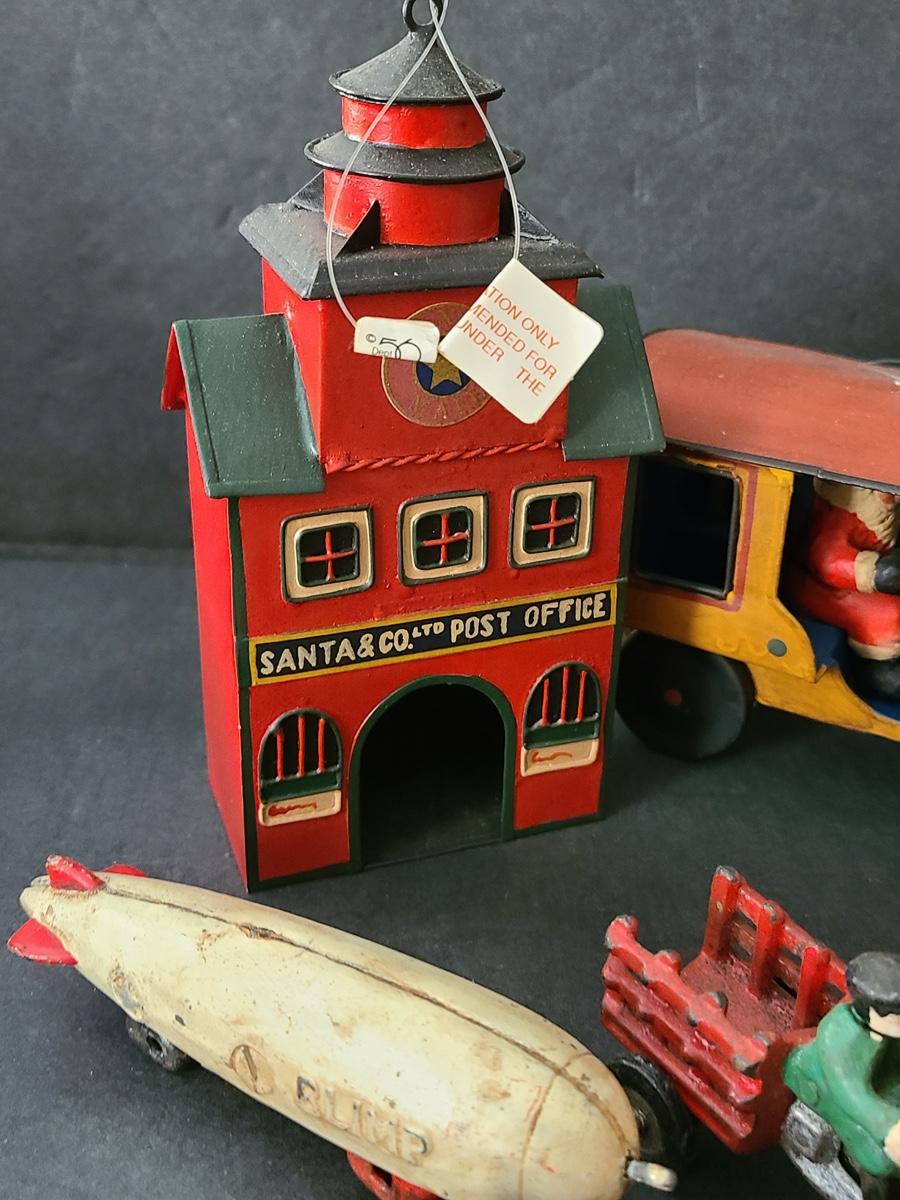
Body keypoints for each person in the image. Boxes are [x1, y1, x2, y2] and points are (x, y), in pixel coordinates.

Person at [784, 952, 900, 1197]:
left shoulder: (889, 1033)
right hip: (826, 1091)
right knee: (880, 1159)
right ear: (875, 1012)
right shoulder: (839, 1035)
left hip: (884, 1083)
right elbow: (852, 1095)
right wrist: (888, 1130)